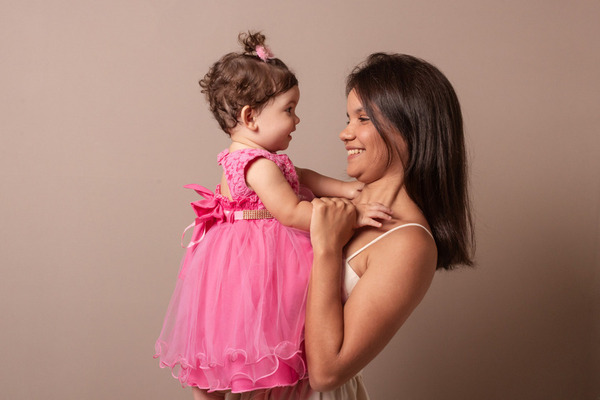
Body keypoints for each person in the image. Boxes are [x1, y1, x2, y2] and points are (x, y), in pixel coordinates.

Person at [153, 32, 390, 400]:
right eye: (288, 109)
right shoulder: (257, 165)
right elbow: (291, 211)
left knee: (236, 337)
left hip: (249, 253)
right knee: (258, 328)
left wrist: (343, 189)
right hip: (255, 258)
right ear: (251, 117)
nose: (297, 119)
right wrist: (350, 214)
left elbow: (302, 176)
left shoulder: (266, 160)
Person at [303, 52, 475, 398]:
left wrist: (327, 249)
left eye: (363, 119)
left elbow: (326, 372)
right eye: (348, 118)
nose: (344, 133)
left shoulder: (408, 244)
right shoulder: (328, 204)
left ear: (409, 127)